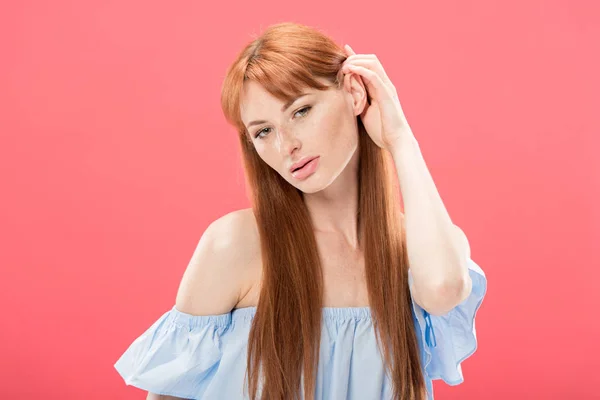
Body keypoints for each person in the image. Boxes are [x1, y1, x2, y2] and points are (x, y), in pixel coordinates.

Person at [114, 22, 487, 400]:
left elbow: (443, 288)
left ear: (354, 93)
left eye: (301, 110)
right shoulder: (237, 245)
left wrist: (400, 138)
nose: (286, 145)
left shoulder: (422, 247)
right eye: (263, 132)